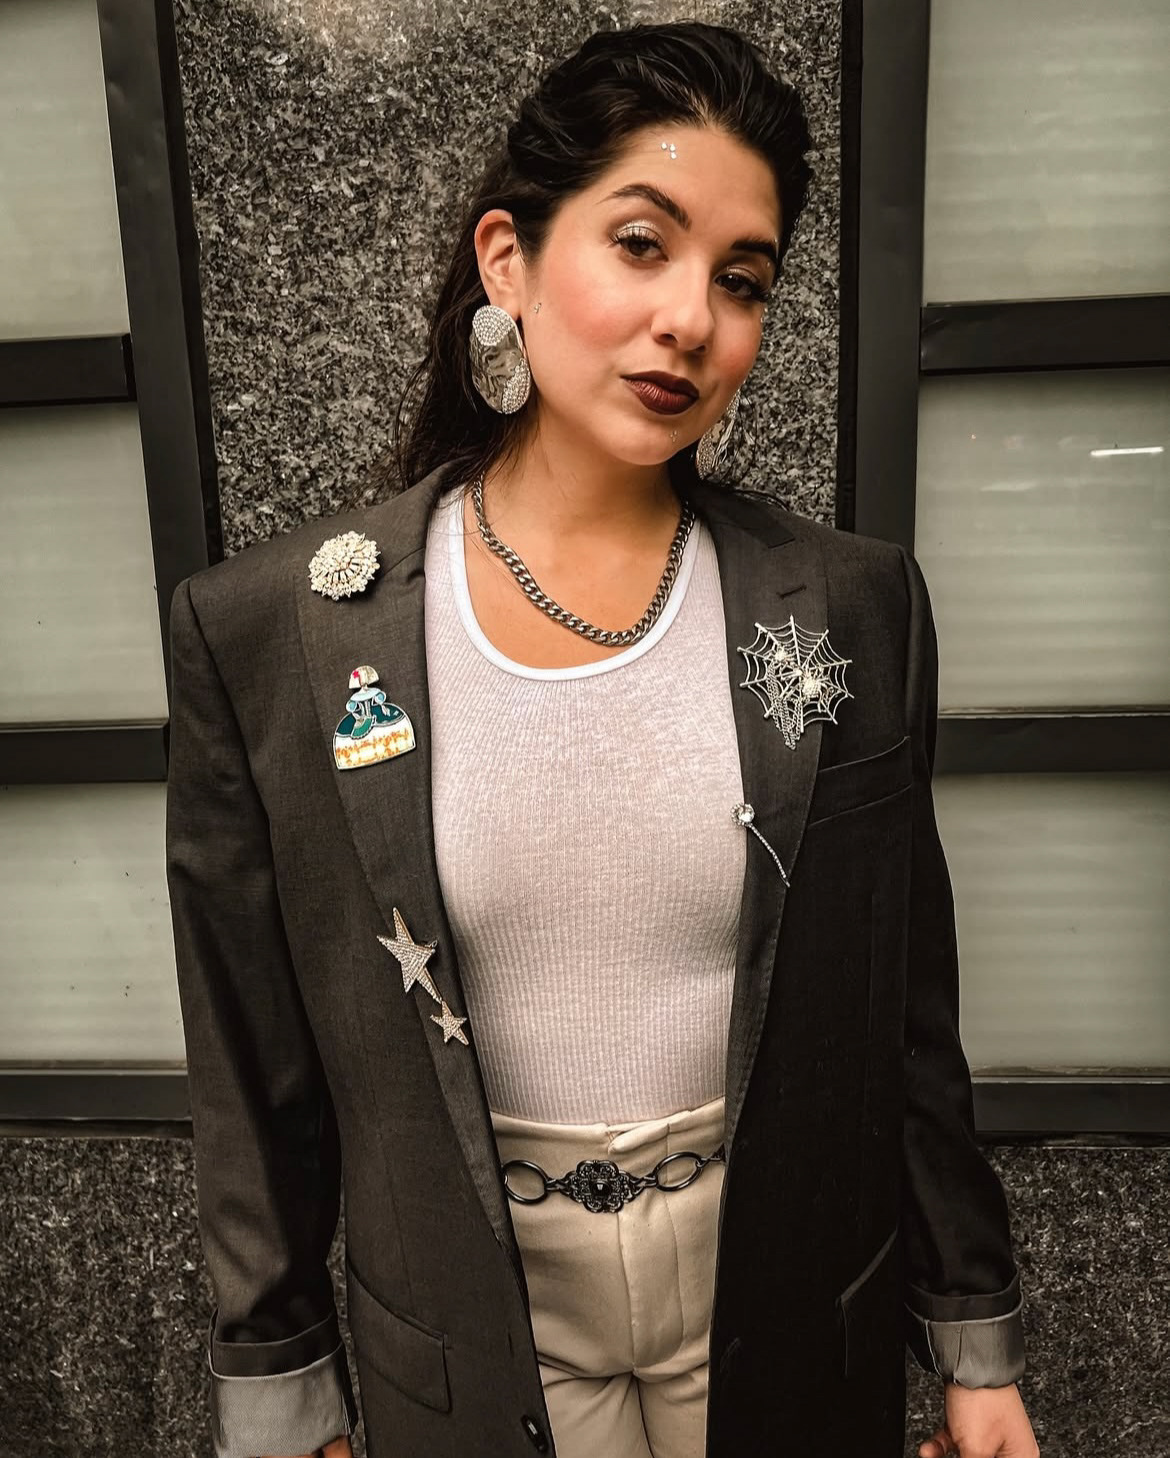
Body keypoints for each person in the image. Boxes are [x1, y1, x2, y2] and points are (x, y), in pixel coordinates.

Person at [164, 21, 1042, 1458]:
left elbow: (903, 1012)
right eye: (642, 243)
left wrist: (971, 1338)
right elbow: (249, 1059)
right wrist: (279, 1385)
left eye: (741, 279)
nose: (691, 318)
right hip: (471, 1326)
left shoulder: (851, 604)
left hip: (779, 1308)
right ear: (506, 260)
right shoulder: (277, 632)